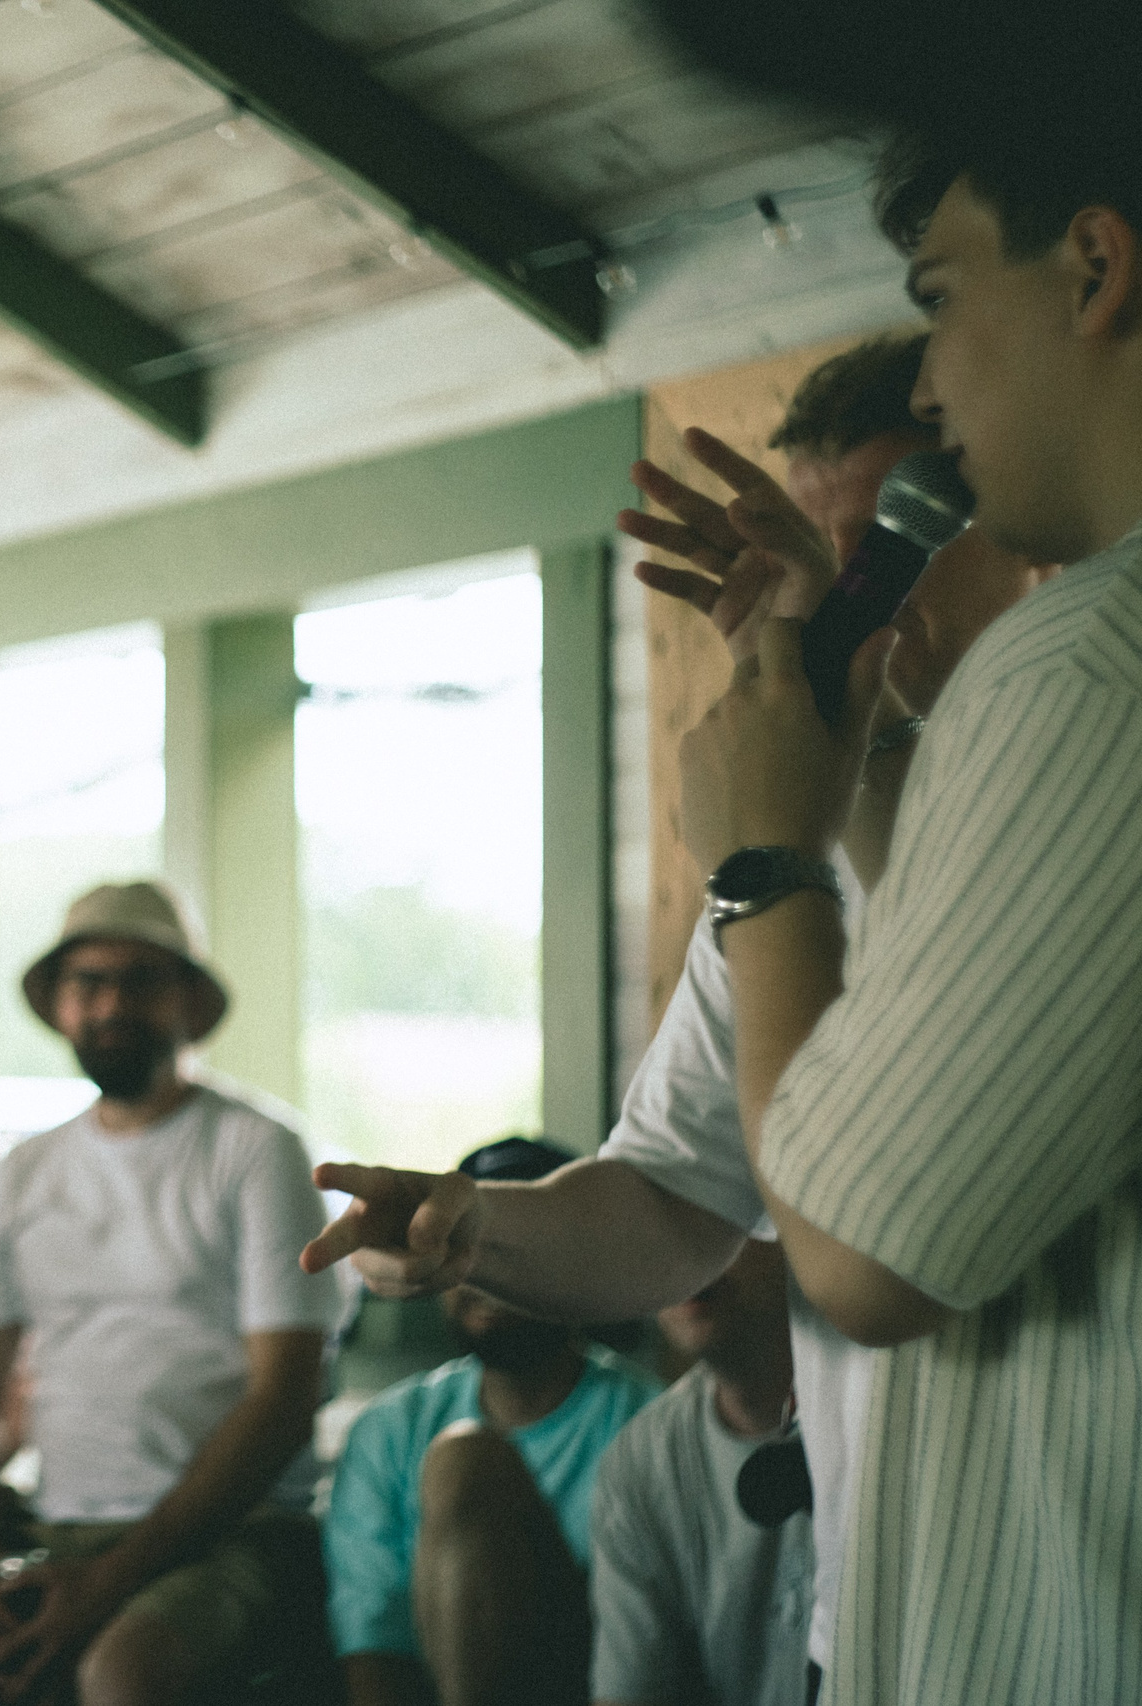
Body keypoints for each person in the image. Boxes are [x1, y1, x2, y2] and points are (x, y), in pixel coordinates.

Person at [296, 331, 1050, 1695]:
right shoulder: (789, 865)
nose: (838, 614)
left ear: (1007, 533)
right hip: (878, 1610)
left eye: (886, 551)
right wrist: (474, 1226)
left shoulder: (1062, 799)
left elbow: (875, 1247)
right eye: (816, 574)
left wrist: (769, 860)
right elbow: (669, 1202)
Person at [661, 114, 1142, 1703]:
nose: (932, 384)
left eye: (939, 297)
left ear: (1092, 265)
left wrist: (763, 866)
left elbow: (865, 1251)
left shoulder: (1088, 664)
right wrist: (847, 769)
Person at [0, 880, 344, 1706]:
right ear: (59, 1006)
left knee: (122, 1679)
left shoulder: (256, 1150)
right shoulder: (26, 1173)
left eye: (141, 980)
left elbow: (284, 1396)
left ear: (189, 1003)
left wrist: (114, 1577)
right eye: (88, 983)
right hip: (47, 1528)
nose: (112, 1003)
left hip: (239, 1536)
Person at [325, 1138, 661, 1706]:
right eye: (461, 1248)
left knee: (466, 1465)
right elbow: (374, 1643)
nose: (481, 1274)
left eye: (510, 1250)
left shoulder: (650, 1425)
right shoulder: (389, 1432)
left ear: (582, 1266)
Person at [591, 1239, 812, 1706]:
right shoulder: (639, 1463)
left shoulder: (883, 1412)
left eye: (722, 1205)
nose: (685, 1248)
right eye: (661, 1226)